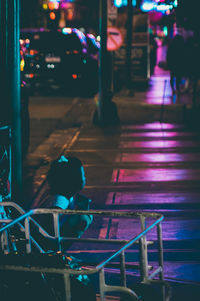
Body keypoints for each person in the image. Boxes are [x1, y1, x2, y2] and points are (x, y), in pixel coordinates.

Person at [38, 155, 93, 250]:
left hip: (55, 240)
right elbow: (51, 228)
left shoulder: (68, 195)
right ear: (73, 179)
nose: (85, 179)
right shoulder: (59, 201)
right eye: (82, 175)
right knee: (83, 218)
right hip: (47, 246)